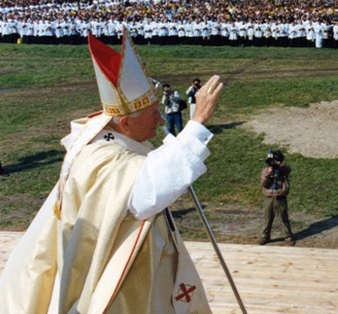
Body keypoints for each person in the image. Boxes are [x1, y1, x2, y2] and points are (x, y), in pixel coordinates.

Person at [0, 28, 224, 313]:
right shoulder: (105, 161)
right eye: (151, 113)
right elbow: (149, 189)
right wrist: (198, 123)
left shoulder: (104, 134)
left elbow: (148, 167)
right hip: (116, 280)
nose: (159, 118)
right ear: (125, 124)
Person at [259, 149, 295, 246]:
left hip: (280, 196)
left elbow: (288, 170)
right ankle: (265, 237)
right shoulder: (266, 170)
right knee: (267, 218)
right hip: (269, 197)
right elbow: (263, 183)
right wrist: (268, 174)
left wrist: (279, 166)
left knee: (284, 217)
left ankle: (288, 236)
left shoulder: (283, 169)